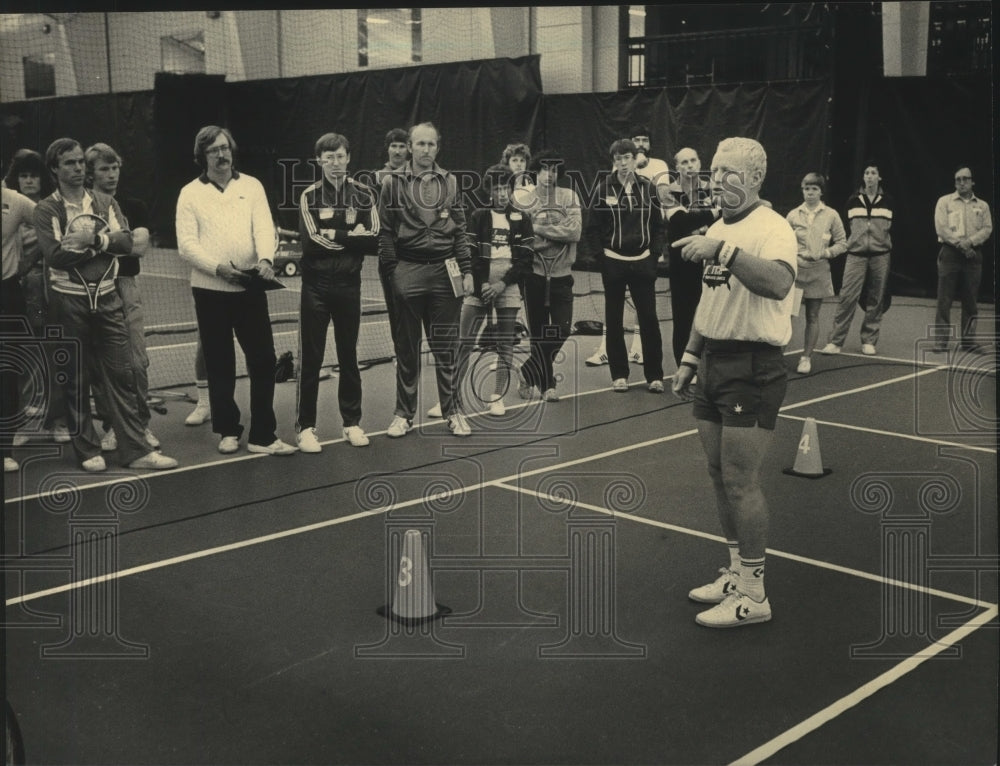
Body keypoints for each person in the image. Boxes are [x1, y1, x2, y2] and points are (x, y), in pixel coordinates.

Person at [671, 136, 797, 628]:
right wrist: (689, 356)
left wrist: (723, 248)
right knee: (718, 473)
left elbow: (779, 282)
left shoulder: (774, 227)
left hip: (754, 365)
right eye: (715, 171)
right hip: (714, 364)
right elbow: (711, 304)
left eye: (729, 172)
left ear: (755, 179)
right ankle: (737, 573)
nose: (717, 180)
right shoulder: (721, 224)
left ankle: (754, 594)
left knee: (742, 481)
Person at [34, 138, 178, 472]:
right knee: (76, 378)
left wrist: (93, 240)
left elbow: (127, 241)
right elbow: (55, 254)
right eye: (68, 163)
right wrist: (105, 246)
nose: (77, 168)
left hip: (110, 297)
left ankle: (136, 450)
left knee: (123, 373)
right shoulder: (46, 210)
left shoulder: (105, 201)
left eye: (80, 162)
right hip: (67, 301)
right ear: (54, 169)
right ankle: (87, 451)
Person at [175, 125, 296, 456]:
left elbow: (264, 227)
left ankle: (263, 435)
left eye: (225, 148)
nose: (221, 154)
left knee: (262, 360)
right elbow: (186, 245)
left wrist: (267, 259)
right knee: (219, 364)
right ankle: (228, 430)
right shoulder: (189, 193)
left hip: (249, 289)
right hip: (209, 290)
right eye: (214, 150)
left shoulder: (252, 186)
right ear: (203, 156)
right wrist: (219, 269)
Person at [377, 121, 474, 438]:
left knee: (447, 348)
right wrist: (394, 274)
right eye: (420, 144)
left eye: (431, 144)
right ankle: (403, 415)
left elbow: (460, 231)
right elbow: (386, 234)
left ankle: (454, 411)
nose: (425, 149)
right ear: (409, 146)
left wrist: (468, 270)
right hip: (408, 271)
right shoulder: (392, 183)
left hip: (446, 276)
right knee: (407, 349)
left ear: (438, 146)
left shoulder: (451, 182)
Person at [295, 132, 379, 451]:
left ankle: (352, 423)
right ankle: (306, 428)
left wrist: (334, 231)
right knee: (312, 358)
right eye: (328, 157)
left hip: (349, 287)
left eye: (340, 156)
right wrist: (350, 234)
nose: (335, 163)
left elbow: (374, 239)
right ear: (319, 160)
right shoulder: (309, 196)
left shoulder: (364, 194)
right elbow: (311, 243)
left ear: (348, 158)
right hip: (315, 287)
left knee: (349, 356)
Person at [84, 142, 160, 452]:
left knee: (137, 363)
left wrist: (99, 241)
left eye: (114, 167)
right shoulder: (83, 209)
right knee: (103, 364)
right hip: (96, 290)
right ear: (91, 173)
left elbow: (139, 247)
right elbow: (80, 247)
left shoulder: (134, 205)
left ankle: (141, 425)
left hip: (126, 286)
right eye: (104, 168)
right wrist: (120, 241)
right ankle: (113, 426)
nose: (112, 174)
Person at [584, 138, 665, 393]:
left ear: (635, 159)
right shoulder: (602, 189)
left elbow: (659, 226)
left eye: (626, 157)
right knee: (614, 320)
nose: (622, 163)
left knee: (649, 320)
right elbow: (592, 229)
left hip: (643, 264)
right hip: (613, 264)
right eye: (617, 158)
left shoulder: (648, 188)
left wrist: (653, 256)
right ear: (614, 162)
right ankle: (619, 374)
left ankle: (654, 376)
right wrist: (603, 259)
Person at [3, 149, 70, 446]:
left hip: (48, 293)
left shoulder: (43, 208)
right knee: (21, 357)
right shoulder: (12, 206)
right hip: (22, 292)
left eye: (34, 175)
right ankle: (21, 420)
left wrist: (28, 262)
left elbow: (54, 243)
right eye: (23, 175)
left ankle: (57, 420)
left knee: (51, 351)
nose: (29, 181)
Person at [457, 164, 533, 417]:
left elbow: (525, 261)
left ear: (512, 189)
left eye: (506, 187)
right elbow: (472, 254)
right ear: (489, 190)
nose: (501, 193)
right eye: (497, 187)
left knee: (505, 344)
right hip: (480, 285)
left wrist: (501, 284)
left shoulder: (522, 218)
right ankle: (451, 398)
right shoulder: (479, 216)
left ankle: (497, 397)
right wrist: (483, 285)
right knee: (464, 342)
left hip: (508, 286)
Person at [516, 148, 581, 402]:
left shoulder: (569, 197)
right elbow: (525, 240)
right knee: (539, 333)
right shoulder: (523, 201)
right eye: (544, 169)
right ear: (537, 171)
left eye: (554, 170)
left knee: (563, 329)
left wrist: (539, 228)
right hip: (533, 276)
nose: (549, 175)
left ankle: (527, 371)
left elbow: (574, 233)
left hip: (562, 275)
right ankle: (547, 384)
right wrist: (554, 231)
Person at [820, 163, 894, 356]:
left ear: (879, 178)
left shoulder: (888, 201)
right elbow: (846, 228)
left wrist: (883, 244)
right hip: (856, 256)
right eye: (867, 173)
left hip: (880, 256)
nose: (870, 176)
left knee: (876, 299)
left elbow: (894, 229)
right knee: (847, 297)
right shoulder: (853, 201)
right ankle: (836, 341)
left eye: (873, 173)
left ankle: (869, 340)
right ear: (863, 177)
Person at [786, 172, 847, 373]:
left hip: (819, 271)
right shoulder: (794, 214)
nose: (810, 193)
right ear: (802, 190)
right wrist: (793, 257)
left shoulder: (831, 215)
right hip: (795, 271)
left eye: (814, 189)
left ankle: (805, 358)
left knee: (813, 316)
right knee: (787, 315)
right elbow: (783, 241)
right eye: (806, 188)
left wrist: (825, 253)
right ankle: (777, 356)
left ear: (821, 192)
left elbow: (842, 243)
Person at [664, 147, 719, 366]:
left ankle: (707, 365)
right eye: (684, 162)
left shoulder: (711, 189)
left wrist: (699, 221)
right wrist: (712, 214)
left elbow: (721, 221)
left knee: (711, 314)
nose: (689, 165)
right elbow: (680, 222)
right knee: (684, 317)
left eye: (693, 160)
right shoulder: (668, 191)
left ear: (699, 163)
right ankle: (683, 366)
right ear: (676, 167)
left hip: (710, 261)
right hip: (683, 263)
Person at [931, 166, 993, 353]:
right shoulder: (944, 202)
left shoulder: (982, 206)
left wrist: (970, 243)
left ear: (972, 181)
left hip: (973, 256)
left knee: (971, 301)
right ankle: (941, 341)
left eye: (965, 179)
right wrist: (960, 245)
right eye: (958, 179)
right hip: (950, 254)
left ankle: (968, 341)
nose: (962, 182)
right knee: (944, 299)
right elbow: (941, 228)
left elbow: (987, 229)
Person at [2, 185, 34, 472]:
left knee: (8, 373)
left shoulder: (16, 201)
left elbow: (51, 224)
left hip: (7, 295)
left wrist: (28, 260)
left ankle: (5, 449)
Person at [373, 128, 410, 357]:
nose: (397, 150)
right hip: (389, 253)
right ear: (387, 149)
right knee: (395, 308)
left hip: (414, 254)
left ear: (409, 149)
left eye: (402, 146)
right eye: (393, 146)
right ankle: (401, 353)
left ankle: (412, 351)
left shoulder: (418, 175)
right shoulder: (377, 178)